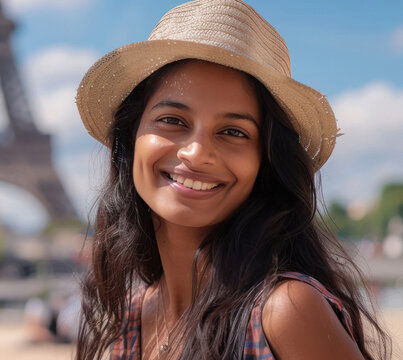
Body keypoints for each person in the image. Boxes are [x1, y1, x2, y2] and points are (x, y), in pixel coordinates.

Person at [74, 1, 391, 359]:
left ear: (265, 161)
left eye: (232, 131)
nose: (195, 153)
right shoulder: (130, 317)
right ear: (132, 137)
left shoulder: (284, 312)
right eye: (172, 121)